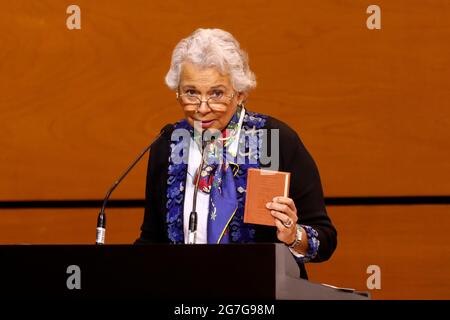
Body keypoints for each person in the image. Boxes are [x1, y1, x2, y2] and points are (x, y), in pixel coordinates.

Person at [136, 28, 337, 279]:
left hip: (261, 295)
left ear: (240, 93)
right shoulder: (169, 144)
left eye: (216, 93)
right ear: (177, 93)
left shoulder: (274, 139)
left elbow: (325, 240)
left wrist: (294, 235)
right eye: (191, 93)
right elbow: (152, 240)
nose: (202, 108)